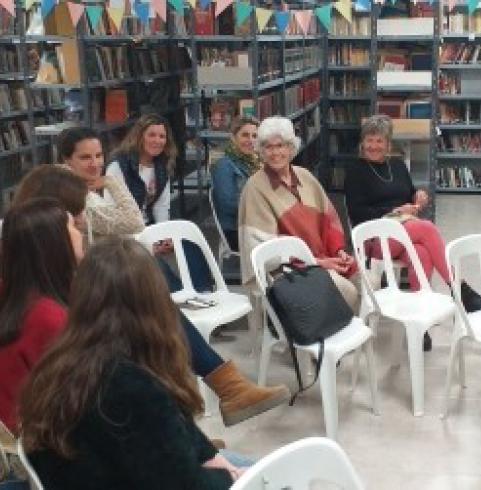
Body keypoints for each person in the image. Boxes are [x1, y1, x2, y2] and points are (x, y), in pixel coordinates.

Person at [20, 163, 290, 427]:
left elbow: (131, 223)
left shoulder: (47, 247)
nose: (81, 220)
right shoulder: (39, 285)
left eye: (99, 156)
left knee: (150, 299)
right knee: (148, 315)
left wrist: (111, 184)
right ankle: (215, 400)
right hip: (79, 363)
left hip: (91, 318)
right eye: (74, 216)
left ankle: (203, 413)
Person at [19, 237, 246, 489]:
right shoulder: (130, 388)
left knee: (244, 465)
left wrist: (211, 456)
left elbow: (175, 436)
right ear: (156, 303)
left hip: (106, 474)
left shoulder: (62, 362)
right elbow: (182, 484)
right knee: (264, 472)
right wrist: (233, 477)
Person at [344, 115, 481, 328]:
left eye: (379, 140)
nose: (373, 146)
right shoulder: (355, 171)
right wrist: (393, 211)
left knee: (421, 253)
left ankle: (421, 322)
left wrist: (418, 195)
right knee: (427, 229)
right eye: (369, 140)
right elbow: (357, 213)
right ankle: (459, 289)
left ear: (388, 144)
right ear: (362, 143)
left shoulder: (398, 165)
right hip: (374, 238)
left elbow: (408, 193)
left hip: (402, 232)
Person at [238, 116, 360, 311]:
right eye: (268, 147)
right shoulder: (255, 188)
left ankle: (351, 328)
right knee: (347, 291)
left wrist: (339, 251)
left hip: (321, 259)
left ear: (291, 147)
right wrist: (317, 263)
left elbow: (329, 220)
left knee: (365, 281)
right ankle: (332, 329)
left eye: (280, 145)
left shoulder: (305, 176)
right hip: (286, 271)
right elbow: (263, 253)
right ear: (261, 150)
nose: (275, 153)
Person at [104, 114, 214, 291]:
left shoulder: (161, 165)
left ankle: (204, 293)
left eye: (162, 136)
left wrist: (164, 236)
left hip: (148, 227)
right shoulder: (118, 166)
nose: (157, 140)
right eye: (151, 135)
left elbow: (161, 207)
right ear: (139, 136)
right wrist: (149, 244)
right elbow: (113, 216)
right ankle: (175, 298)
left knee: (189, 242)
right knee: (154, 265)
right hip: (125, 235)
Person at [0, 198, 82, 434]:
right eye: (72, 226)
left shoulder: (19, 296)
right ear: (54, 243)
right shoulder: (48, 317)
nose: (80, 230)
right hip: (34, 438)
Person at [211, 116, 260, 251]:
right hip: (236, 230)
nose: (251, 140)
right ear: (233, 138)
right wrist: (262, 209)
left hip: (256, 225)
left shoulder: (256, 163)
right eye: (245, 135)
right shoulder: (224, 165)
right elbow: (229, 205)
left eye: (254, 136)